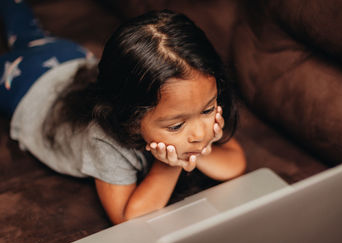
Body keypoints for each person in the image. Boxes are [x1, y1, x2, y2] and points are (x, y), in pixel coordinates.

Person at [0, 0, 246, 224]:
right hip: (27, 87)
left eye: (208, 109)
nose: (200, 132)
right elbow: (128, 219)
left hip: (71, 58)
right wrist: (171, 165)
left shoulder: (191, 108)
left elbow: (235, 164)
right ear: (132, 118)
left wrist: (194, 151)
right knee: (23, 30)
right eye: (175, 126)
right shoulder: (104, 139)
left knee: (27, 32)